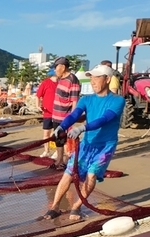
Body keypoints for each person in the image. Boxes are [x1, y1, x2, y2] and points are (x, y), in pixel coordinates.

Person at [41, 64, 124, 223]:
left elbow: (104, 119)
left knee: (92, 174)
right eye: (91, 77)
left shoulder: (118, 100)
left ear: (107, 79)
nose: (92, 81)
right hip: (87, 144)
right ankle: (55, 207)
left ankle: (77, 206)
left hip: (105, 146)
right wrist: (62, 126)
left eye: (96, 77)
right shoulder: (86, 99)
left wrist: (82, 128)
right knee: (68, 173)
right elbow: (74, 115)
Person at [51, 58, 82, 166]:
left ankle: (66, 161)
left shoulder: (72, 79)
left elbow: (74, 100)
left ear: (63, 67)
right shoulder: (61, 79)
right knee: (58, 139)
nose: (55, 70)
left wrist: (72, 118)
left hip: (65, 116)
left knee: (65, 139)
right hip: (56, 115)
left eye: (56, 68)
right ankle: (59, 159)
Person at [36, 69, 58, 159]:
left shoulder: (62, 83)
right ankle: (46, 151)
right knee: (46, 134)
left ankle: (57, 151)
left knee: (58, 133)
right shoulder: (45, 83)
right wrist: (38, 105)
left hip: (59, 113)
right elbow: (38, 95)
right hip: (47, 113)